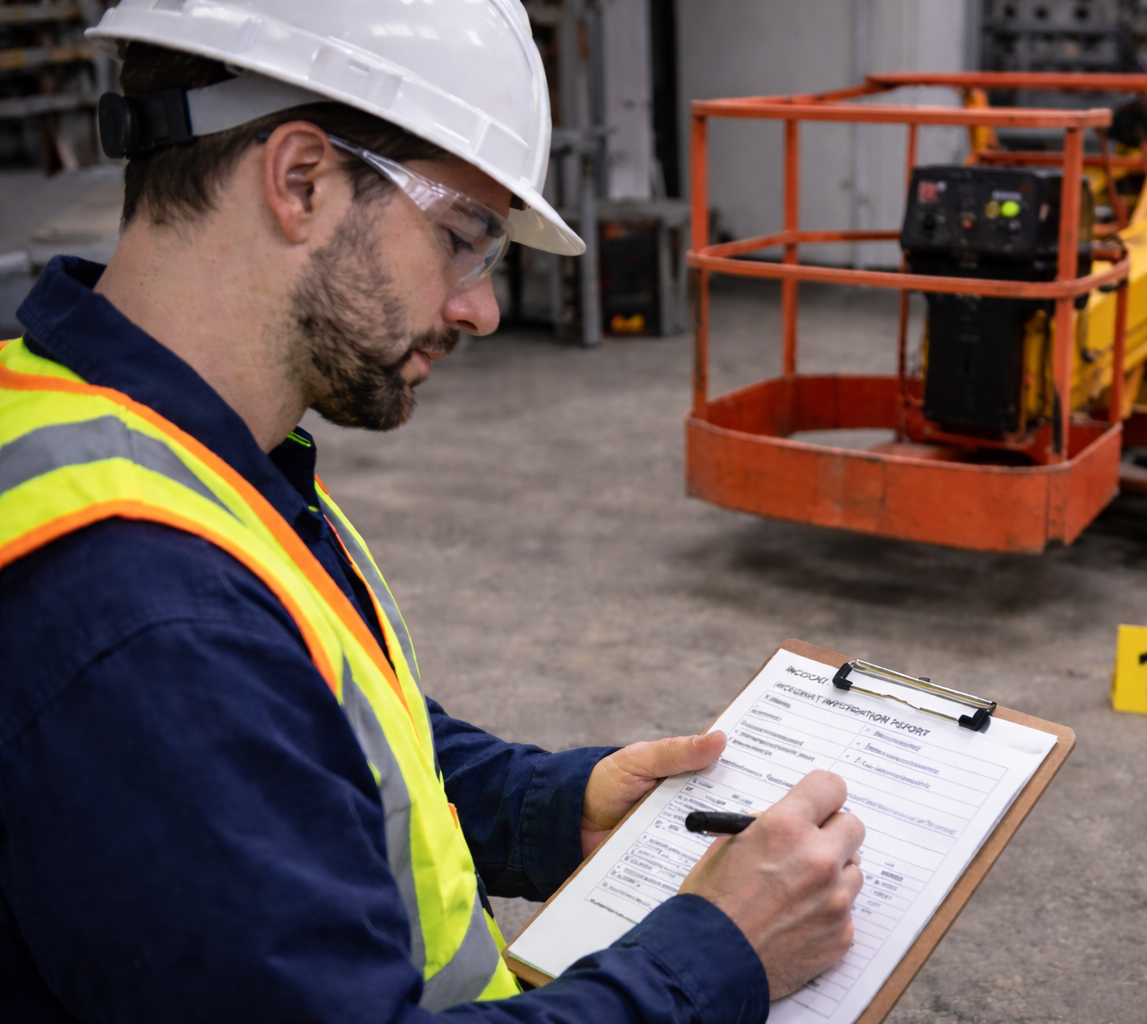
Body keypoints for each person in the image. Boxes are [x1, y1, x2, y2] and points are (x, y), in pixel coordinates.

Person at [0, 2, 865, 1021]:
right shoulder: (147, 614)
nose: (480, 308)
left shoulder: (99, 425)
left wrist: (548, 810)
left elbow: (308, 737)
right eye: (461, 238)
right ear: (301, 180)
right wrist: (723, 951)